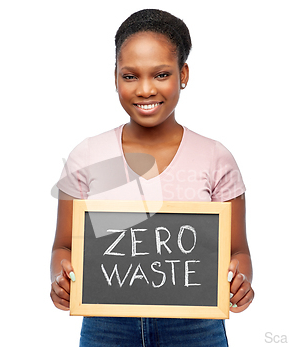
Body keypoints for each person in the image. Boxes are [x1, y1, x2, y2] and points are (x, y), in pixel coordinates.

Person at [50, 9, 254, 346]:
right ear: (115, 76)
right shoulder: (88, 156)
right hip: (107, 324)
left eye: (161, 74)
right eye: (130, 76)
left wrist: (241, 278)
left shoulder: (215, 158)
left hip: (195, 325)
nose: (145, 89)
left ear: (183, 74)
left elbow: (238, 251)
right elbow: (64, 246)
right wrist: (62, 277)